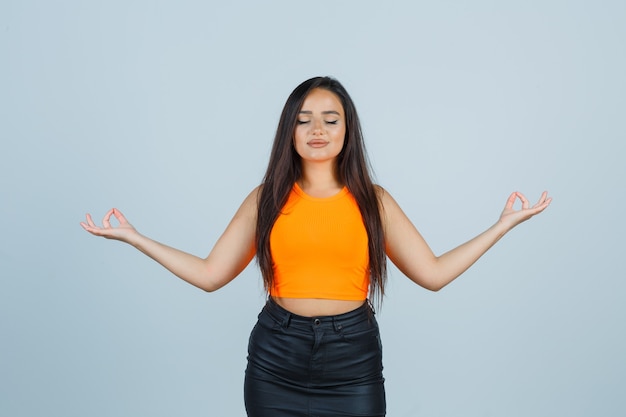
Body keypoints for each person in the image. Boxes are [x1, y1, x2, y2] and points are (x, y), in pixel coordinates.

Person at [80, 76, 552, 417]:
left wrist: (502, 225)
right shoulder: (265, 198)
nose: (317, 129)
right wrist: (134, 237)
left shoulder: (373, 201)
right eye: (304, 120)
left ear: (348, 130)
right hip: (275, 359)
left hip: (353, 362)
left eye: (330, 119)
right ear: (290, 130)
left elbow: (432, 274)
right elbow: (210, 275)